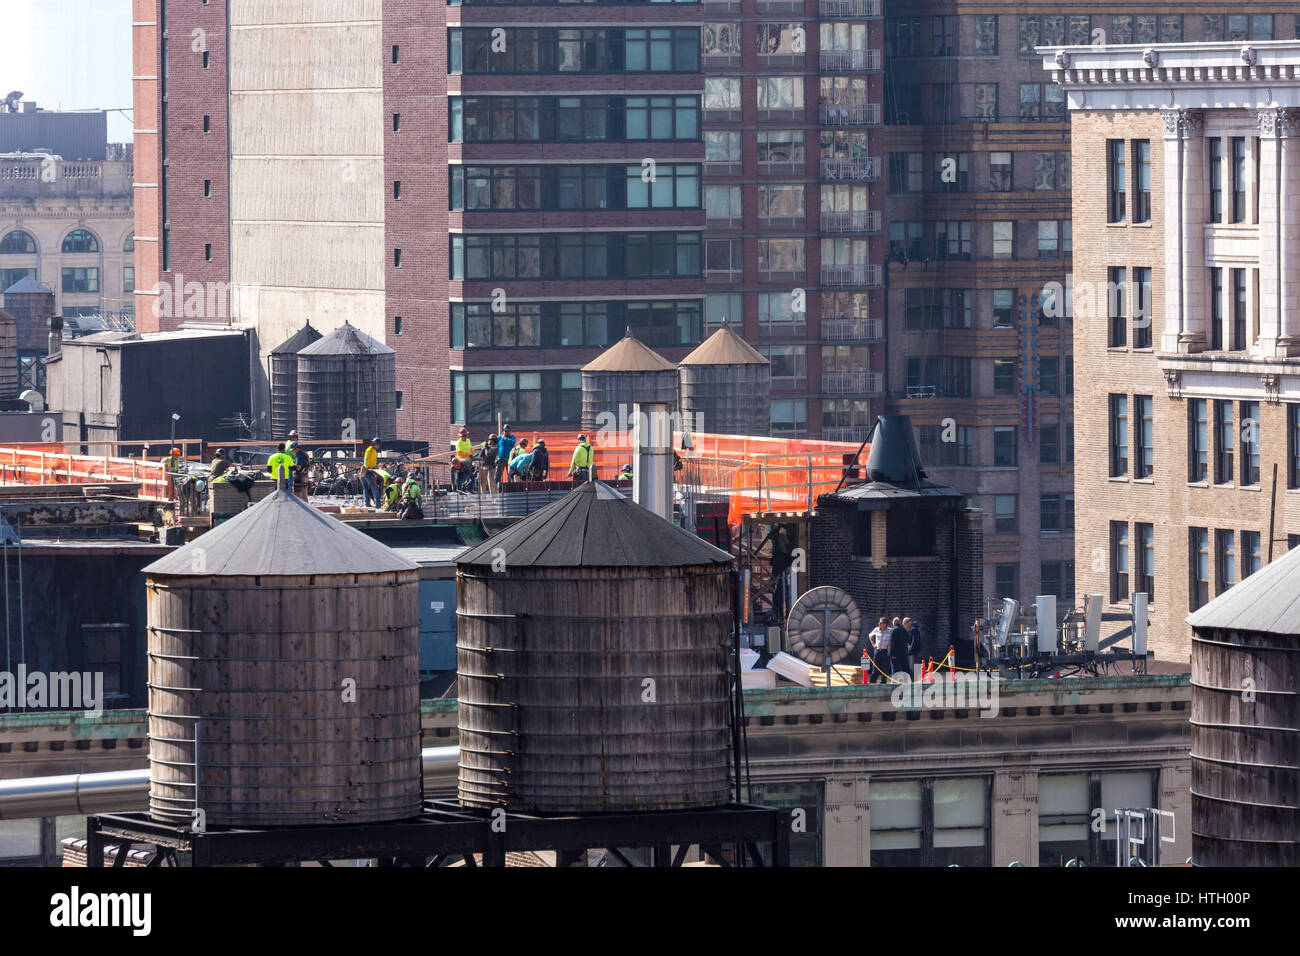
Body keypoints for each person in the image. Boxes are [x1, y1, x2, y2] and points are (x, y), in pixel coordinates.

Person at [865, 617, 889, 684]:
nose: (879, 624)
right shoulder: (876, 629)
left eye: (881, 623)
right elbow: (870, 635)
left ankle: (883, 682)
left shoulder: (890, 630)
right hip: (877, 650)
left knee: (885, 667)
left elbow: (895, 638)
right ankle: (873, 681)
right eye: (879, 622)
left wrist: (890, 645)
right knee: (875, 667)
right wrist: (873, 643)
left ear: (885, 624)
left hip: (885, 651)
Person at [361, 437, 381, 507]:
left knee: (366, 488)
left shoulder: (374, 451)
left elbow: (372, 461)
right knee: (374, 487)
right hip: (368, 471)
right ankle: (378, 503)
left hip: (366, 471)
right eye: (378, 445)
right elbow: (366, 459)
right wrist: (367, 468)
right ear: (376, 444)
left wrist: (376, 467)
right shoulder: (370, 450)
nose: (379, 447)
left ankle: (367, 503)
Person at [453, 427, 474, 492]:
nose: (465, 437)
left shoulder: (468, 441)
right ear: (460, 436)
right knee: (464, 477)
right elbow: (459, 453)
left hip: (469, 462)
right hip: (462, 463)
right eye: (463, 436)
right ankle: (461, 488)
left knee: (472, 475)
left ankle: (469, 488)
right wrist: (468, 454)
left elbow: (471, 449)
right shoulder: (458, 443)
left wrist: (471, 455)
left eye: (465, 435)